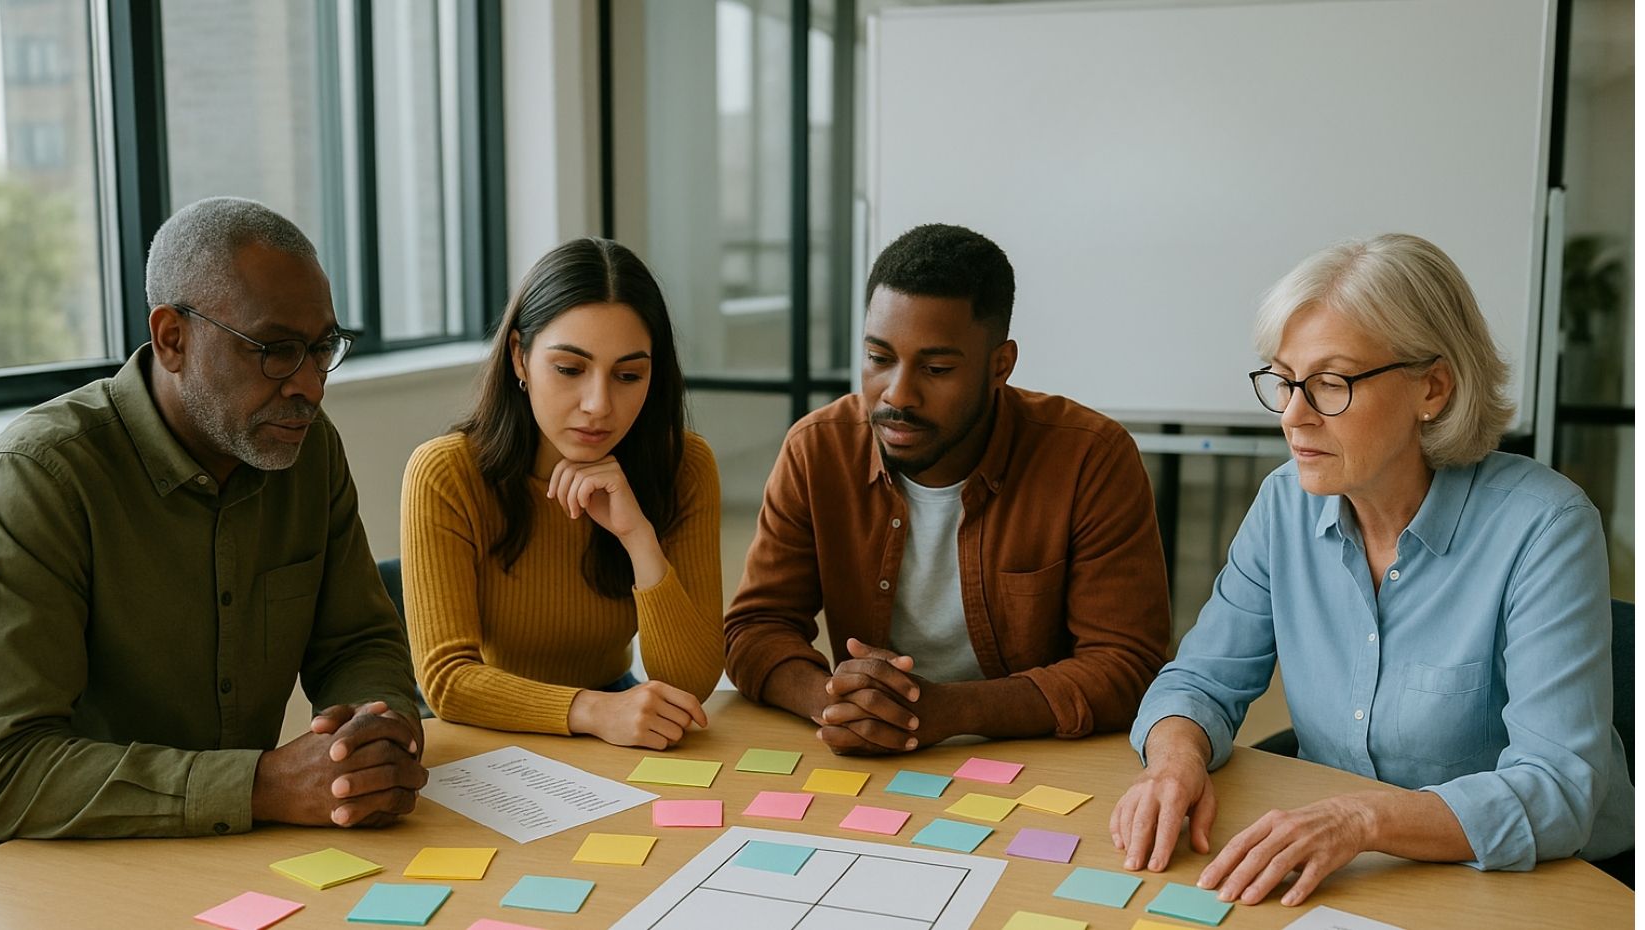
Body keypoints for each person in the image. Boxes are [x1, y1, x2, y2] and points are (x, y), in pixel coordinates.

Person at [1111, 233, 1633, 906]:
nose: (1294, 417)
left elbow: (1559, 787)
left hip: (1540, 883)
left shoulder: (1544, 526)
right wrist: (1174, 762)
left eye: (1330, 383)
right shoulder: (1284, 504)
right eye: (1284, 380)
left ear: (1433, 388)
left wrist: (1359, 820)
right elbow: (1201, 679)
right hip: (1351, 874)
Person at [0, 197, 427, 842]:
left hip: (245, 851)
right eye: (274, 349)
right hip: (69, 869)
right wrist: (262, 784)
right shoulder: (40, 474)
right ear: (172, 339)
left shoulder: (308, 448)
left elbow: (357, 642)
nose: (311, 386)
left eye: (322, 347)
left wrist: (368, 741)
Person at [724, 223, 1171, 754]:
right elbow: (755, 629)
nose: (898, 393)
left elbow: (1127, 665)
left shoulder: (1090, 457)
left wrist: (950, 710)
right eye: (878, 358)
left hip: (1032, 755)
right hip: (869, 752)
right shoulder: (817, 449)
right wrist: (837, 701)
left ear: (999, 366)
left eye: (936, 368)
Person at [401, 238, 723, 750]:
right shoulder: (446, 473)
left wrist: (637, 536)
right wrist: (592, 710)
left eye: (628, 375)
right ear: (520, 358)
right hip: (491, 727)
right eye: (570, 370)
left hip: (616, 722)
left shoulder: (683, 467)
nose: (598, 404)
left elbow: (689, 686)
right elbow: (447, 680)